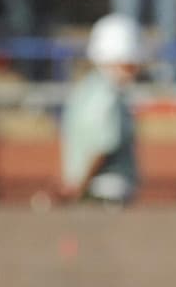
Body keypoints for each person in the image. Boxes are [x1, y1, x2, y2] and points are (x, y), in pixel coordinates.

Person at [57, 13, 141, 205]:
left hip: (90, 189)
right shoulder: (108, 95)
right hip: (103, 193)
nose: (136, 68)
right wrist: (79, 187)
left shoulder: (85, 90)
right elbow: (102, 146)